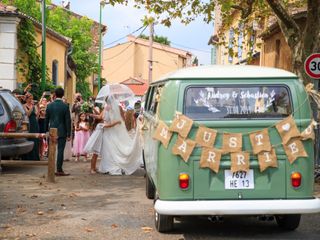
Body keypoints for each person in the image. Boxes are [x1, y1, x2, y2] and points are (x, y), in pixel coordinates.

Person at [99, 96, 142, 175]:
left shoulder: (106, 108)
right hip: (119, 127)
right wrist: (123, 125)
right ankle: (121, 162)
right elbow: (123, 118)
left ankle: (108, 165)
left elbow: (104, 118)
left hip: (109, 129)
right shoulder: (119, 107)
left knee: (109, 147)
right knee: (121, 143)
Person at [45, 88, 72, 176]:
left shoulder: (49, 106)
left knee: (51, 150)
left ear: (55, 95)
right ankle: (59, 169)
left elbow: (46, 119)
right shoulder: (65, 106)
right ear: (63, 95)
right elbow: (68, 121)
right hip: (62, 131)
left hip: (52, 130)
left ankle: (51, 169)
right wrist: (69, 133)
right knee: (60, 150)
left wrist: (46, 130)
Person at [22, 92, 40, 161]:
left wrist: (37, 108)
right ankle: (28, 157)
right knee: (29, 139)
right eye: (30, 98)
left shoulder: (34, 106)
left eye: (32, 98)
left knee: (35, 139)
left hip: (34, 123)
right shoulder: (24, 106)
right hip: (28, 124)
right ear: (26, 99)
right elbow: (27, 114)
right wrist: (32, 107)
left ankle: (35, 157)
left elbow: (37, 115)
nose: (31, 100)